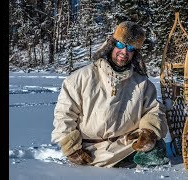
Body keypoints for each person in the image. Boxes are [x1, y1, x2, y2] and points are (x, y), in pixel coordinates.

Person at [51, 21, 169, 168]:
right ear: (111, 45)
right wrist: (71, 148)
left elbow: (154, 110)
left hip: (127, 146)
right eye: (120, 45)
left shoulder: (142, 83)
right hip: (89, 151)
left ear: (135, 53)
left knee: (157, 148)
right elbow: (64, 114)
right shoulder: (81, 77)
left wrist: (149, 132)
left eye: (130, 48)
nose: (124, 52)